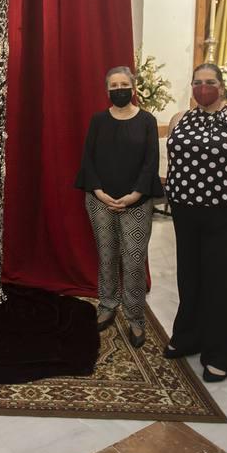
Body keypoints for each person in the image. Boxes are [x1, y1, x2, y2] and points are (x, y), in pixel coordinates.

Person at [164, 62, 227, 382]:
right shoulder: (180, 118)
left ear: (221, 87)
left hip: (224, 213)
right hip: (184, 210)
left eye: (209, 82)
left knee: (220, 282)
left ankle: (220, 353)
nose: (203, 87)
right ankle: (188, 336)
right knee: (189, 277)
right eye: (197, 82)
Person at [75, 66, 163, 348]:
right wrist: (99, 192)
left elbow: (151, 162)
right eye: (114, 85)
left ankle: (135, 316)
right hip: (100, 200)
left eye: (124, 84)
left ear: (133, 87)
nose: (119, 89)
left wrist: (135, 195)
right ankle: (108, 304)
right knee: (107, 255)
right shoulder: (98, 120)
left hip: (137, 202)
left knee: (134, 261)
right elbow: (88, 158)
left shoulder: (147, 121)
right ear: (107, 90)